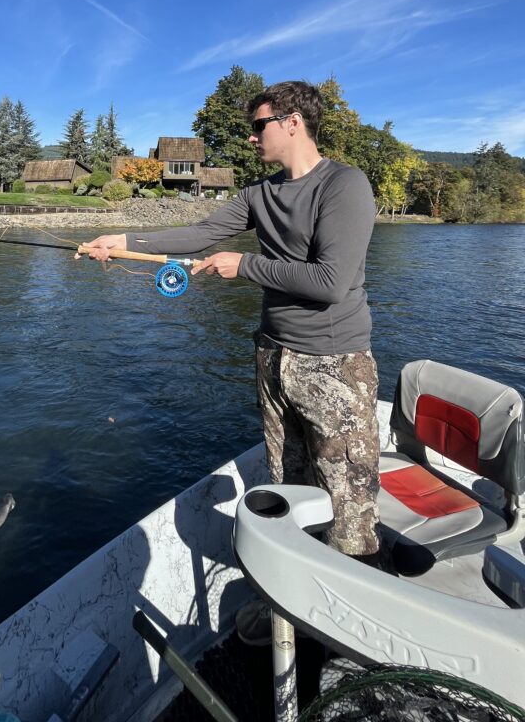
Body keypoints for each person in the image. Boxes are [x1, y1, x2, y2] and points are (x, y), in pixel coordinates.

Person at [80, 80, 381, 635]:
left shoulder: (344, 185)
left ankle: (349, 635)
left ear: (292, 122)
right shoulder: (258, 194)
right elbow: (198, 233)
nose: (251, 136)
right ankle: (288, 608)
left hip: (335, 363)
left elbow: (331, 282)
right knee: (286, 489)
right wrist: (117, 239)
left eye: (259, 125)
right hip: (272, 356)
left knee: (349, 503)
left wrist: (241, 266)